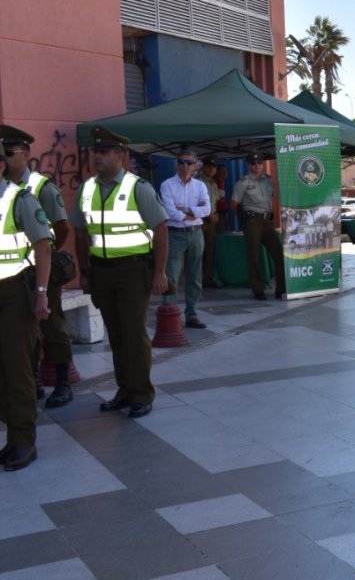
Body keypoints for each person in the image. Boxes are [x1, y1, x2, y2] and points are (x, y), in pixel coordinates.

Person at [72, 126, 169, 419]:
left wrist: (160, 273)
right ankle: (125, 389)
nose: (96, 156)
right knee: (115, 335)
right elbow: (79, 231)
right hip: (101, 271)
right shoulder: (87, 188)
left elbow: (161, 230)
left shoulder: (138, 187)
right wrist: (84, 270)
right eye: (95, 151)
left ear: (121, 156)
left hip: (132, 270)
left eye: (103, 152)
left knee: (133, 333)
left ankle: (141, 393)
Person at [0, 125, 75, 408]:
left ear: (26, 154)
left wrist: (51, 257)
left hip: (39, 271)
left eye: (9, 153)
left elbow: (62, 228)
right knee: (22, 335)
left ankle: (63, 382)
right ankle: (33, 382)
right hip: (14, 276)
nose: (5, 159)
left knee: (52, 325)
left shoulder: (41, 187)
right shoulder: (5, 189)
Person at [0, 142, 52, 470]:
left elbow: (44, 245)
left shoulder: (19, 198)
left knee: (17, 368)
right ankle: (11, 437)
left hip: (14, 293)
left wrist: (42, 292)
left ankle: (24, 441)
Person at [159, 149, 210, 329]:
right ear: (176, 164)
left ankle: (191, 314)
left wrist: (185, 209)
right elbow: (171, 212)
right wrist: (193, 211)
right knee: (171, 274)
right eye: (181, 162)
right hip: (175, 233)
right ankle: (170, 312)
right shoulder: (167, 185)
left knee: (195, 275)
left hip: (196, 233)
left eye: (189, 163)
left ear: (195, 165)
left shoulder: (200, 186)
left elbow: (207, 210)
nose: (185, 166)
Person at [230, 152, 285, 300]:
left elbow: (274, 196)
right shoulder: (243, 182)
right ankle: (258, 290)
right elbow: (234, 204)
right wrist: (245, 219)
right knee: (254, 256)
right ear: (248, 165)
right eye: (253, 163)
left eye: (259, 163)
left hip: (267, 221)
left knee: (278, 252)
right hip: (252, 221)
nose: (257, 166)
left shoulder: (268, 180)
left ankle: (281, 288)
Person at [198, 155, 222, 287]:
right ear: (204, 167)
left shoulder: (213, 182)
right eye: (210, 167)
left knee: (210, 249)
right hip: (201, 220)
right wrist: (208, 215)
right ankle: (197, 277)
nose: (212, 169)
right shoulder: (198, 181)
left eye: (214, 167)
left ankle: (208, 278)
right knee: (198, 250)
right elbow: (196, 203)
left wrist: (215, 214)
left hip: (212, 220)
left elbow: (215, 201)